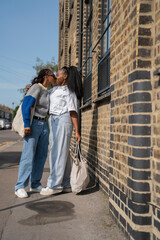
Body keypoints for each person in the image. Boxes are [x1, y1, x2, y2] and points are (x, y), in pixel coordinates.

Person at [40, 66, 83, 196]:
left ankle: (54, 185)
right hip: (52, 120)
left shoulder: (69, 92)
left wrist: (77, 131)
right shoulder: (54, 89)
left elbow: (73, 112)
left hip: (63, 121)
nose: (56, 77)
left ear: (65, 76)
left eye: (58, 75)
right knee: (59, 152)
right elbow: (42, 95)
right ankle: (65, 183)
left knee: (57, 153)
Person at [15, 69, 56, 198]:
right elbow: (26, 105)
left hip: (44, 125)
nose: (54, 77)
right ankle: (20, 186)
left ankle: (35, 184)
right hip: (34, 124)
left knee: (41, 155)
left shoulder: (47, 91)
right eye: (52, 75)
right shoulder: (36, 87)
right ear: (46, 76)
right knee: (28, 155)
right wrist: (27, 124)